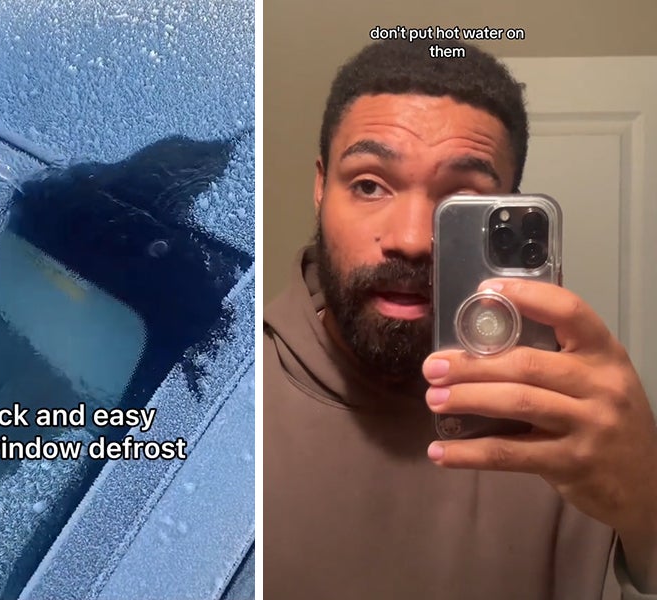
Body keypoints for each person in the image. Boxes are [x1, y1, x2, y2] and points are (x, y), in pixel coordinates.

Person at [264, 40, 657, 599]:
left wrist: (651, 502)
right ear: (322, 186)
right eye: (370, 185)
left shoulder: (579, 419)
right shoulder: (226, 403)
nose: (409, 240)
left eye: (460, 200)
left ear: (504, 212)